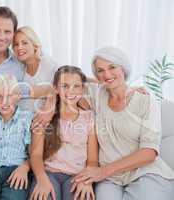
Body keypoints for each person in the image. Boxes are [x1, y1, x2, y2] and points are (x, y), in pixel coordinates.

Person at [74, 47, 174, 200]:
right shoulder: (97, 94)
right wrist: (51, 102)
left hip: (144, 172)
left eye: (112, 67)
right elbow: (66, 80)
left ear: (124, 68)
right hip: (110, 180)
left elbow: (149, 152)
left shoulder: (145, 100)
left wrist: (102, 172)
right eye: (100, 70)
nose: (106, 74)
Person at [29, 66, 98, 200]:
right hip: (48, 173)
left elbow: (92, 159)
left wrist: (86, 180)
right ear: (55, 88)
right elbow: (36, 155)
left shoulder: (89, 117)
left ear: (82, 89)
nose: (70, 91)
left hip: (78, 175)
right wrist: (41, 179)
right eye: (64, 86)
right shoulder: (44, 116)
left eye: (76, 86)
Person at [12, 26, 59, 111]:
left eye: (24, 43)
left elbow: (64, 85)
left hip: (44, 120)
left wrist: (49, 109)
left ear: (34, 45)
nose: (19, 47)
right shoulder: (17, 68)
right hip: (21, 121)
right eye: (16, 44)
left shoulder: (48, 64)